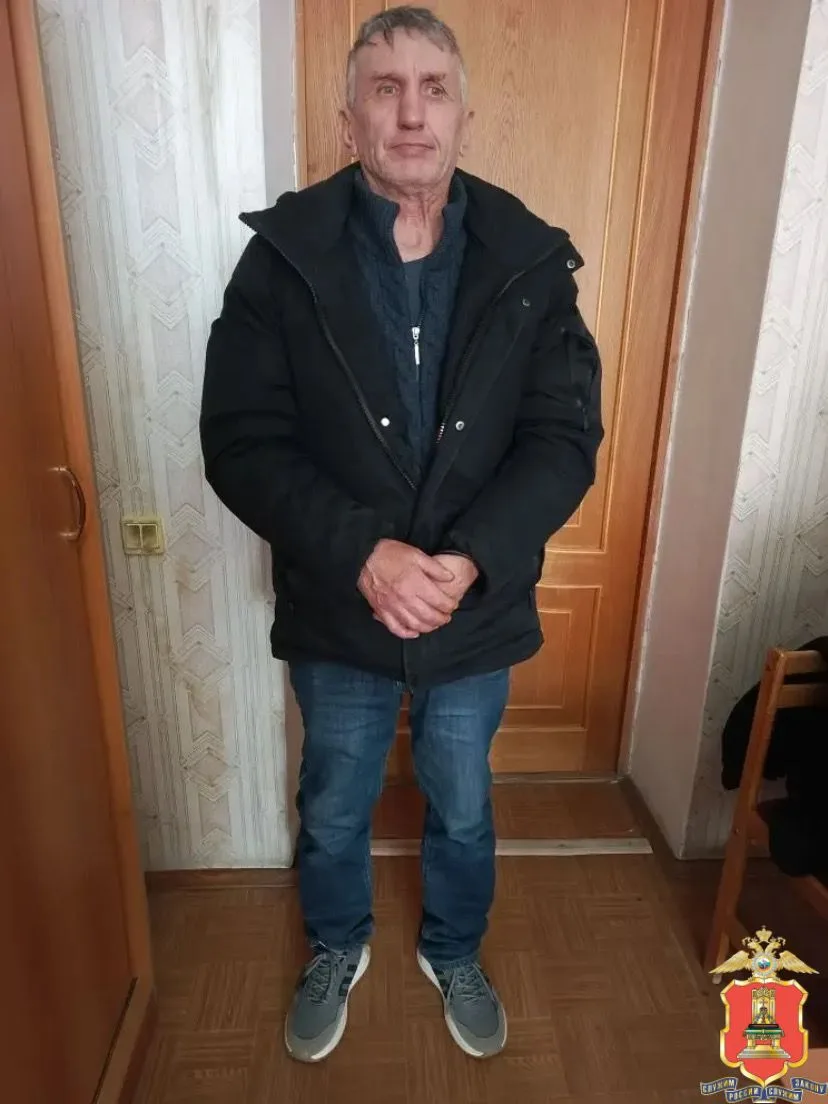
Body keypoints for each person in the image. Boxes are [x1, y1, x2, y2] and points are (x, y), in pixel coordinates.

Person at [200, 4, 603, 1064]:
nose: (412, 113)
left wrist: (466, 562)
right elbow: (241, 441)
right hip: (341, 605)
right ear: (350, 122)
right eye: (386, 90)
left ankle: (453, 947)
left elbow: (563, 437)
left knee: (462, 801)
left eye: (433, 89)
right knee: (334, 800)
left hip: (476, 608)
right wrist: (363, 556)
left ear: (465, 115)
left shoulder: (531, 261)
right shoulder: (280, 261)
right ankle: (336, 942)